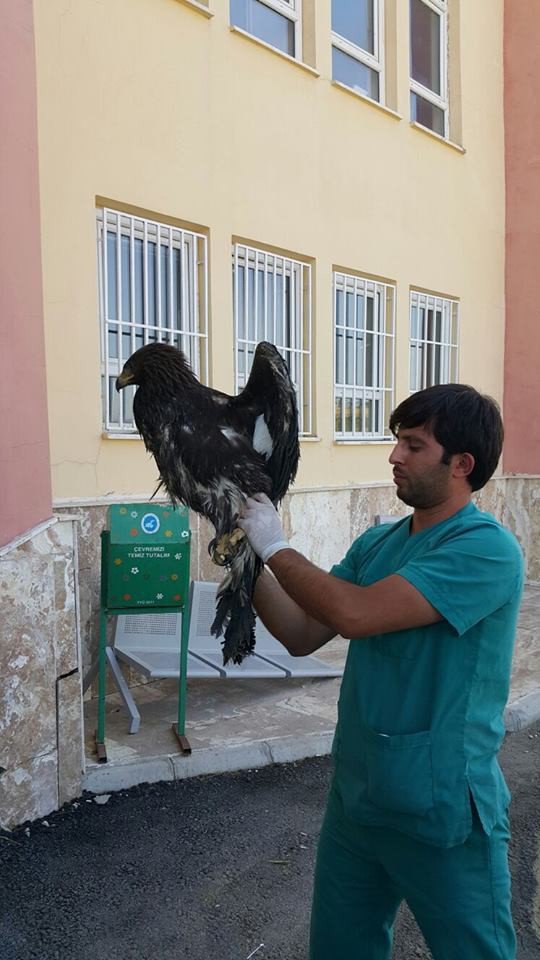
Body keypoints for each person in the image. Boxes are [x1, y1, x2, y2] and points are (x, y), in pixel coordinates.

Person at [238, 383, 524, 960]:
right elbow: (302, 632)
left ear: (462, 465)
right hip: (359, 799)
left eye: (414, 446)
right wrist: (244, 556)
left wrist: (275, 545)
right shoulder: (377, 544)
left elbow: (356, 614)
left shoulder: (486, 550)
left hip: (442, 808)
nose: (394, 456)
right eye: (398, 441)